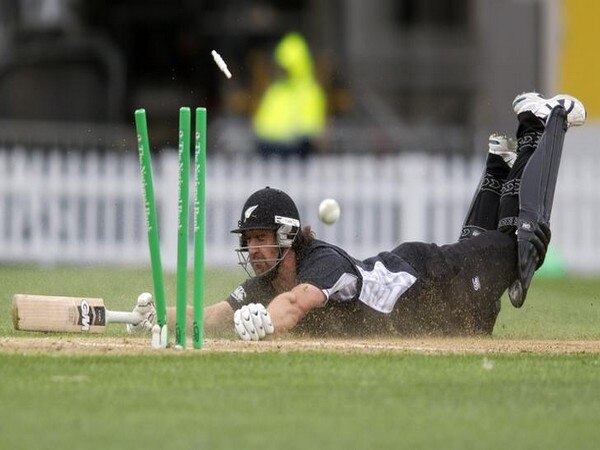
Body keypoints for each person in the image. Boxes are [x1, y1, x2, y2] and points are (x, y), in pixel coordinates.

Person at [131, 92, 585, 340]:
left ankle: (544, 123)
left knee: (518, 247)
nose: (252, 249)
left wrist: (266, 322)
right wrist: (164, 317)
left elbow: (296, 304)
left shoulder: (321, 263)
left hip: (432, 278)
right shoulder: (265, 284)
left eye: (259, 238)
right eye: (247, 240)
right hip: (429, 312)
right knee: (481, 315)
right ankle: (502, 162)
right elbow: (213, 315)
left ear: (287, 236)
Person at [252, 32, 327, 159]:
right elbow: (261, 126)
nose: (281, 70)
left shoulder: (310, 92)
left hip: (297, 158)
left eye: (285, 66)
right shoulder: (275, 91)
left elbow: (310, 132)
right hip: (270, 154)